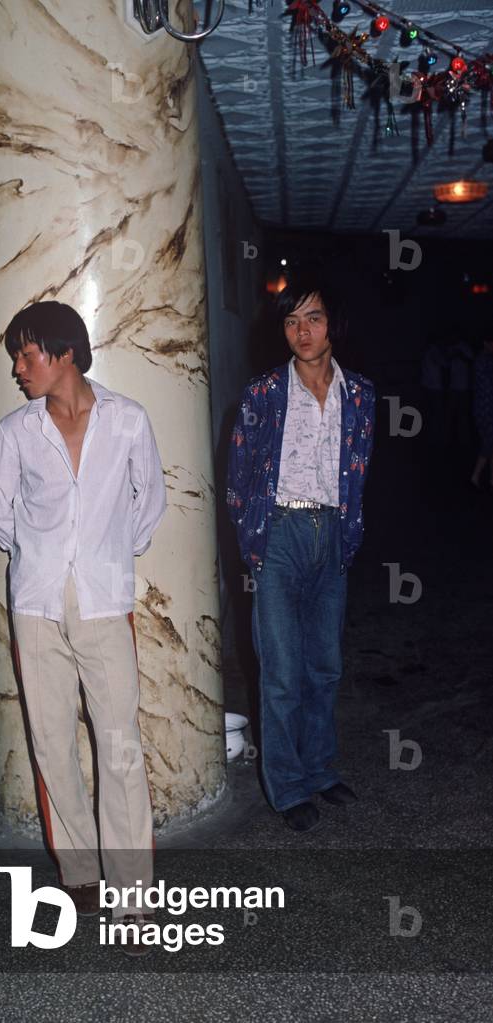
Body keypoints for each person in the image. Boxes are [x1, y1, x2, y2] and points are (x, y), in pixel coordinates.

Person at [0, 301, 166, 955]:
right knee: (50, 742)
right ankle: (81, 872)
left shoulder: (127, 421)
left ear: (63, 354)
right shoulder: (14, 432)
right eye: (15, 356)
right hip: (35, 606)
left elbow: (152, 500)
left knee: (119, 746)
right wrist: (40, 560)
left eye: (26, 355)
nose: (17, 368)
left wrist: (109, 555)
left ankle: (134, 896)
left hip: (103, 601)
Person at [226, 274, 375, 833]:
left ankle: (319, 768)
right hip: (281, 534)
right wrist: (255, 545)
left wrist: (350, 534)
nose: (302, 331)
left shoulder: (360, 394)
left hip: (332, 533)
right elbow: (238, 477)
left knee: (326, 667)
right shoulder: (263, 393)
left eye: (313, 318)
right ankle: (287, 786)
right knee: (283, 672)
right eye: (291, 320)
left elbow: (359, 469)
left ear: (332, 322)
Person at [470, 336, 493, 492]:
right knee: (488, 442)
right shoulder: (483, 361)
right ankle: (475, 476)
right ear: (485, 343)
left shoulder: (486, 360)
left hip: (486, 407)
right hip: (485, 409)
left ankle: (491, 479)